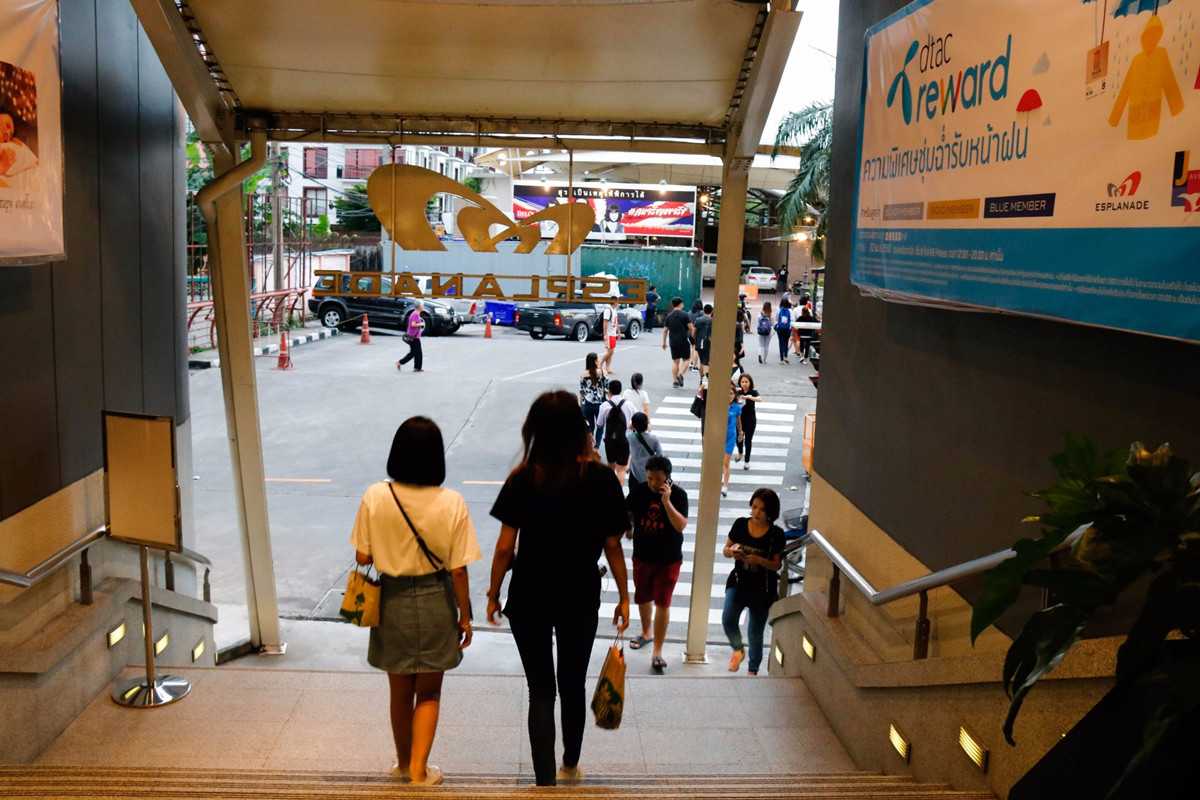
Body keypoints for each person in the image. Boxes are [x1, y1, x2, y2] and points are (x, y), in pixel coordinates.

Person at [485, 391, 631, 787]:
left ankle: (544, 782)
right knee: (571, 684)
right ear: (579, 430)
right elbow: (613, 544)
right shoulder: (600, 478)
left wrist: (494, 593)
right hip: (579, 593)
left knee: (540, 690)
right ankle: (569, 764)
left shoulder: (523, 477)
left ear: (535, 431)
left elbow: (504, 546)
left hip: (529, 592)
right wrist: (624, 595)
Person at [350, 417, 481, 786]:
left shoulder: (377, 495)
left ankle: (404, 764)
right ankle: (421, 773)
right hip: (436, 599)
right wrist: (465, 617)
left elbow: (362, 558)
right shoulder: (452, 502)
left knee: (399, 690)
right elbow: (459, 570)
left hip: (391, 600)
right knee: (429, 690)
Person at [625, 456, 689, 672]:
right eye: (650, 477)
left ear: (667, 478)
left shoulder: (678, 495)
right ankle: (646, 632)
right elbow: (628, 513)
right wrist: (628, 528)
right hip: (642, 555)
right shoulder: (639, 491)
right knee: (642, 596)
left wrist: (666, 502)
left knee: (663, 601)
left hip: (668, 558)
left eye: (658, 479)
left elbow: (680, 525)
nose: (653, 483)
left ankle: (658, 651)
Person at [722, 488, 785, 675]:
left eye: (762, 510)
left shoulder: (776, 534)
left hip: (762, 587)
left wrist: (759, 561)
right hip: (739, 580)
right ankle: (738, 649)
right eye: (754, 507)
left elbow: (776, 565)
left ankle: (753, 668)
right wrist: (732, 551)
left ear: (770, 513)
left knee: (756, 633)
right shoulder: (741, 525)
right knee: (728, 618)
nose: (756, 512)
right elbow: (726, 549)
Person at [595, 379, 631, 487]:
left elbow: (599, 424)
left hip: (610, 440)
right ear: (620, 390)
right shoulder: (628, 404)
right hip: (624, 439)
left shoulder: (604, 405)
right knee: (621, 469)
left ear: (609, 391)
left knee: (611, 467)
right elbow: (634, 420)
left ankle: (610, 492)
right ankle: (619, 494)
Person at [661, 297, 693, 388]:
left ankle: (675, 381)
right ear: (680, 304)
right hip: (683, 340)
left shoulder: (669, 316)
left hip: (673, 341)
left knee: (675, 361)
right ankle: (681, 374)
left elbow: (665, 330)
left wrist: (664, 342)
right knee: (686, 359)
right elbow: (691, 328)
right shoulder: (685, 315)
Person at [626, 412, 663, 488]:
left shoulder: (630, 437)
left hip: (635, 474)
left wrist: (633, 425)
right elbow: (660, 455)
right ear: (647, 424)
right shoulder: (654, 439)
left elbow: (629, 429)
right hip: (649, 474)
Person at [578, 352, 608, 442]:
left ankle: (590, 445)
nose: (599, 361)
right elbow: (606, 389)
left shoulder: (583, 374)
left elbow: (582, 391)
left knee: (589, 428)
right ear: (595, 361)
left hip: (587, 404)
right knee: (600, 426)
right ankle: (597, 447)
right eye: (598, 359)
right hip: (600, 404)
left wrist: (581, 405)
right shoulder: (603, 373)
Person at [734, 373, 761, 470]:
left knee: (748, 440)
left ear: (750, 382)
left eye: (746, 382)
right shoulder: (738, 392)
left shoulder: (753, 392)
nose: (744, 384)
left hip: (750, 420)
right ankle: (740, 452)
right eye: (742, 382)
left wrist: (749, 397)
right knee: (739, 438)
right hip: (739, 419)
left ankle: (746, 461)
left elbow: (759, 399)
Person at [722, 384, 743, 497]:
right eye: (727, 393)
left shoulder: (736, 407)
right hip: (719, 437)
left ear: (734, 395)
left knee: (726, 463)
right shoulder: (719, 405)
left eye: (731, 393)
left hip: (730, 437)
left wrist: (741, 432)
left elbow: (738, 422)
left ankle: (725, 486)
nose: (729, 396)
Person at [396, 300, 426, 372]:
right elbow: (413, 324)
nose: (423, 307)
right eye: (423, 305)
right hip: (414, 337)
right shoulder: (415, 314)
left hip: (414, 336)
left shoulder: (416, 313)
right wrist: (421, 324)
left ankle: (417, 367)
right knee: (414, 352)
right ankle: (400, 362)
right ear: (420, 307)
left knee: (417, 352)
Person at [692, 304, 714, 379]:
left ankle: (702, 378)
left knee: (702, 361)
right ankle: (705, 379)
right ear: (712, 311)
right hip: (708, 344)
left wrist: (696, 339)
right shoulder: (713, 321)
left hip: (699, 343)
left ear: (704, 311)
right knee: (706, 362)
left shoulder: (698, 320)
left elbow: (693, 333)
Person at [599, 304, 619, 375]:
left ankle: (607, 368)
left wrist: (618, 332)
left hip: (613, 333)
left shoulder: (614, 310)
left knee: (610, 351)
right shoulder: (608, 310)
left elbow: (616, 322)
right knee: (611, 352)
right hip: (608, 334)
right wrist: (605, 334)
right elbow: (605, 321)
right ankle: (600, 364)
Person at [687, 299, 705, 373]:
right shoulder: (701, 313)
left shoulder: (689, 312)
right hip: (697, 333)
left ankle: (691, 363)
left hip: (689, 332)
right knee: (696, 349)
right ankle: (694, 365)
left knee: (692, 347)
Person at [774, 297, 793, 364]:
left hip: (780, 328)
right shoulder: (790, 311)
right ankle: (786, 356)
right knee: (786, 342)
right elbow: (792, 320)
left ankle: (781, 359)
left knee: (781, 342)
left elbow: (776, 318)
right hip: (787, 328)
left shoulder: (778, 310)